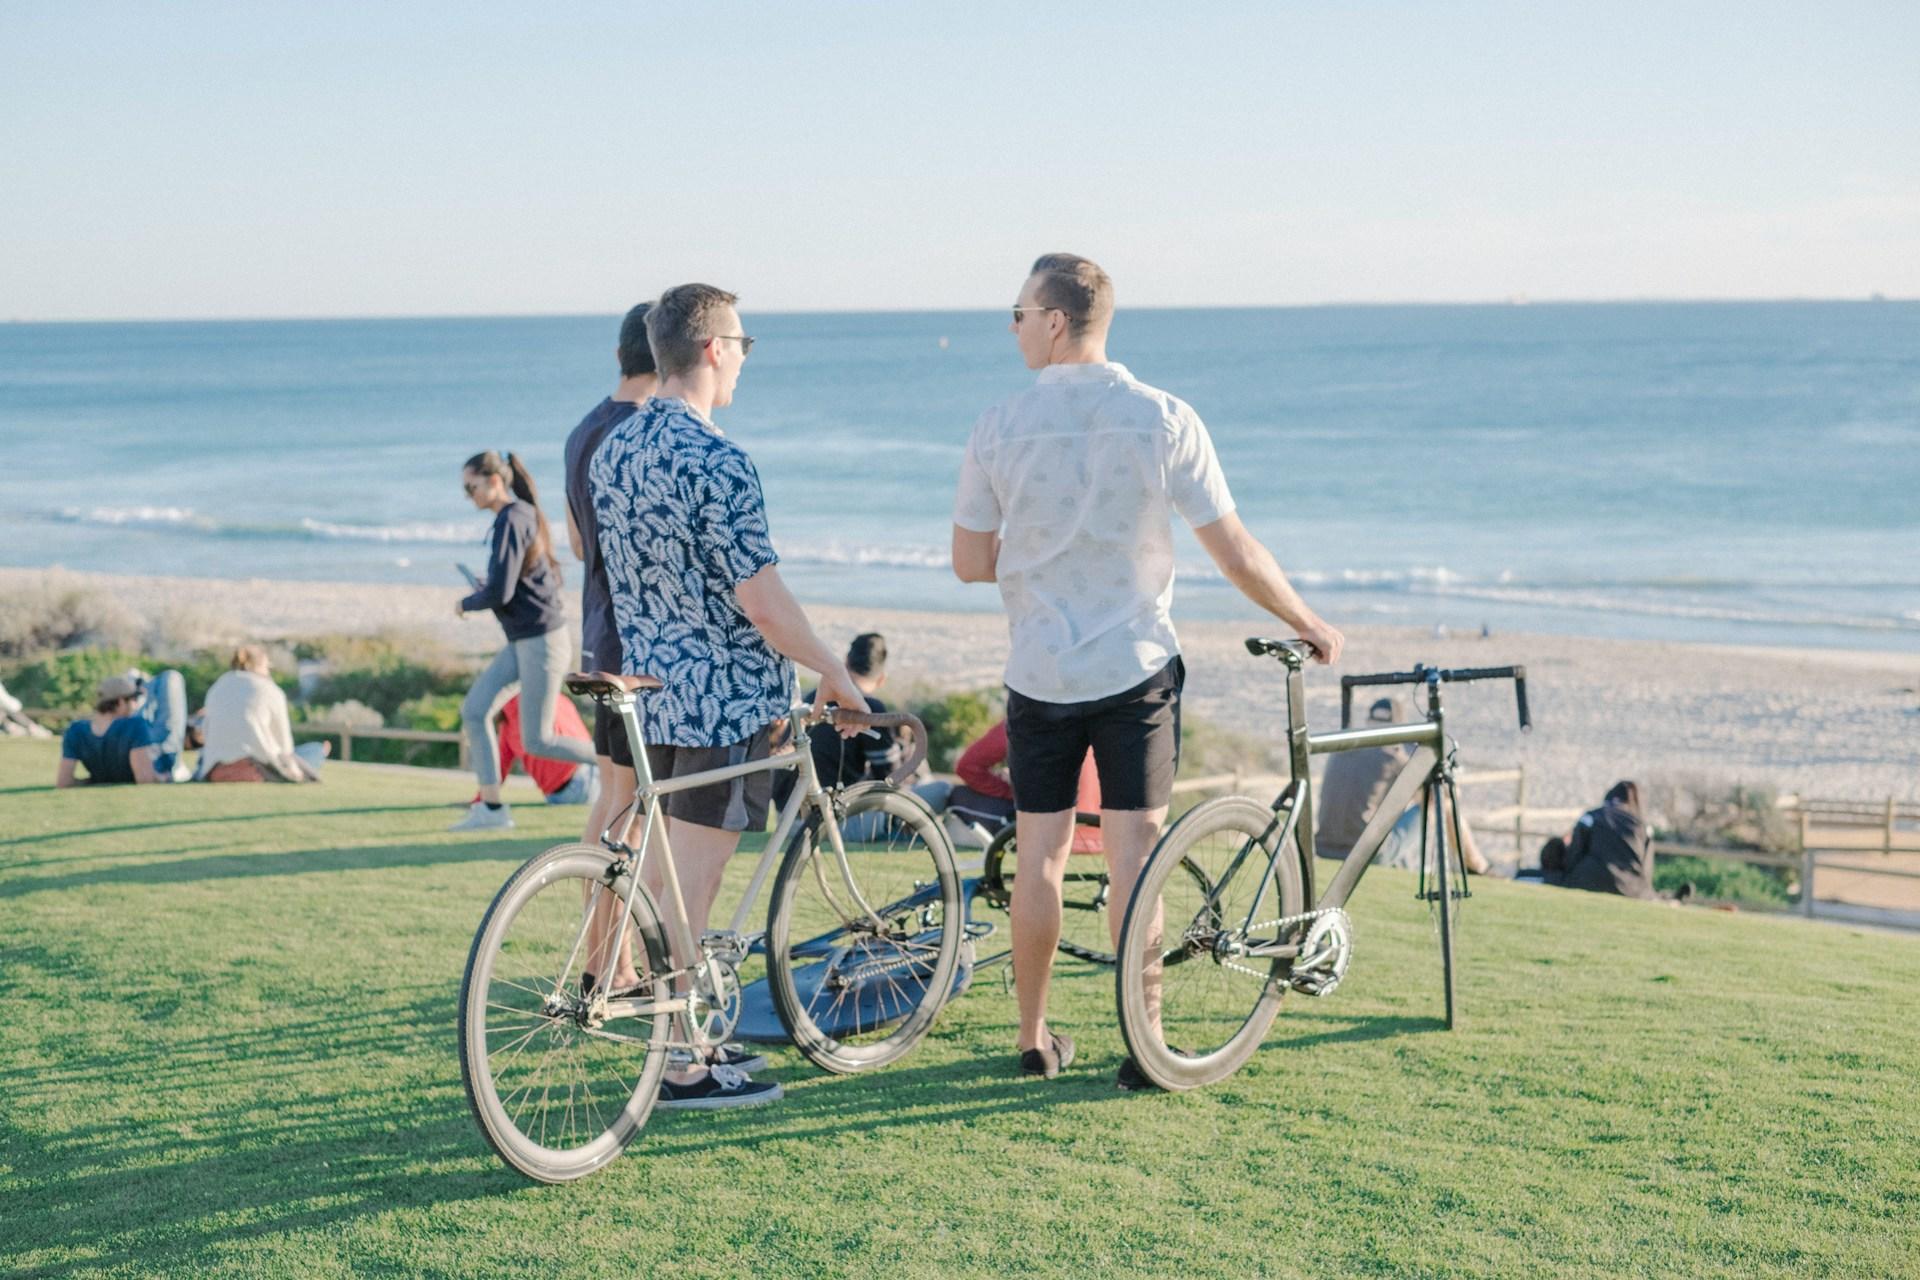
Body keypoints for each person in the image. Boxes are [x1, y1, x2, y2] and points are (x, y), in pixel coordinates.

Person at [951, 252, 1343, 1087]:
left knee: (1040, 858)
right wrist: (1304, 621)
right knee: (1137, 860)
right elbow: (1233, 550)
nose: (1013, 326)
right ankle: (1145, 1045)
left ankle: (1033, 1038)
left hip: (1039, 673)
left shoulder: (997, 425)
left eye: (1019, 312)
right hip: (1134, 670)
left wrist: (1045, 553)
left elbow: (968, 562)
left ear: (1056, 321)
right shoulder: (1163, 418)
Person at [589, 282, 870, 1110]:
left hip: (651, 693)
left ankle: (692, 1038)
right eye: (743, 343)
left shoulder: (617, 451)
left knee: (669, 878)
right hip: (723, 702)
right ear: (713, 348)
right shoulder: (719, 459)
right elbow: (762, 602)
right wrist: (837, 671)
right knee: (692, 893)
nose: (745, 357)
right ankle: (682, 1063)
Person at [451, 449, 599, 831]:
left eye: (472, 487)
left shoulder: (513, 519)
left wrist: (467, 602)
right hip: (524, 642)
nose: (470, 496)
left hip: (542, 643)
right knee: (475, 709)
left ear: (495, 481)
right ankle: (492, 810)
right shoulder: (514, 518)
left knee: (538, 740)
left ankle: (626, 763)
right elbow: (510, 585)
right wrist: (485, 592)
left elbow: (500, 592)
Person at [563, 302, 658, 849]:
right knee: (633, 811)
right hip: (637, 644)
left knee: (612, 798)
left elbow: (580, 544)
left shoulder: (583, 431)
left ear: (620, 355)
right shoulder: (645, 434)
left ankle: (603, 937)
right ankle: (613, 940)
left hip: (599, 633)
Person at [1317, 697, 1489, 874]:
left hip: (1324, 847)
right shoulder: (1392, 754)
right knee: (1441, 803)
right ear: (1398, 728)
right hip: (1367, 854)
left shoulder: (1342, 749)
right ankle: (1477, 867)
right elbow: (1444, 793)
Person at [770, 632, 901, 831]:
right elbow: (891, 778)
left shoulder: (816, 697)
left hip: (786, 818)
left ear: (846, 662)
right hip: (831, 820)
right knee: (939, 791)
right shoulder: (870, 708)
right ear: (882, 679)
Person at [926, 720, 1103, 855]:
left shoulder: (1028, 715)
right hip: (1103, 837)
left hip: (1043, 834)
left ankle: (902, 820)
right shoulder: (1109, 721)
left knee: (947, 791)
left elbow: (967, 766)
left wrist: (1009, 789)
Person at [199, 645, 330, 782]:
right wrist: (294, 771)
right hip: (257, 767)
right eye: (268, 667)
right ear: (260, 665)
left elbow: (207, 732)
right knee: (314, 750)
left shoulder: (217, 687)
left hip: (214, 768)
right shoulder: (270, 689)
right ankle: (321, 751)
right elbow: (285, 744)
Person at [56, 673, 179, 786]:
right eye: (133, 699)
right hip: (159, 763)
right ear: (120, 702)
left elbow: (64, 782)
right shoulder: (135, 725)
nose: (136, 705)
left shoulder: (75, 730)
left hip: (102, 777)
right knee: (172, 680)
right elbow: (144, 778)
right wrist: (164, 778)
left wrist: (92, 781)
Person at [1541, 780, 1656, 899]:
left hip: (1588, 881)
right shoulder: (1643, 827)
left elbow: (1574, 854)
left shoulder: (1591, 817)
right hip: (1632, 889)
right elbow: (1647, 870)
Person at [480, 693, 597, 804]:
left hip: (563, 790)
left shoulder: (508, 722)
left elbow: (500, 767)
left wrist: (483, 798)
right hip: (587, 772)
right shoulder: (555, 697)